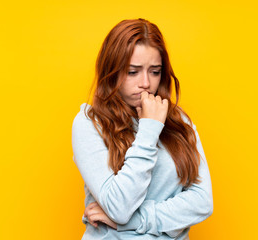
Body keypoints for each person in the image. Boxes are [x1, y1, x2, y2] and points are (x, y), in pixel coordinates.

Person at [72, 18, 213, 239]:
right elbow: (118, 207)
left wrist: (136, 221)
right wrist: (149, 129)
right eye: (132, 72)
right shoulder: (90, 122)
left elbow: (202, 202)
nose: (146, 83)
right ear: (112, 70)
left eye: (155, 71)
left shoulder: (180, 123)